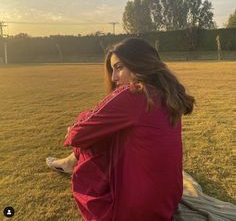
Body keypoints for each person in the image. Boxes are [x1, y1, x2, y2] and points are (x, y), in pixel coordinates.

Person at [46, 38, 195, 221]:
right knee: (104, 130)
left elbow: (77, 135)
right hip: (168, 199)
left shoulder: (135, 93)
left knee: (89, 127)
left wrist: (77, 125)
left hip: (137, 210)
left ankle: (69, 162)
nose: (113, 78)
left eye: (119, 67)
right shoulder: (168, 92)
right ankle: (69, 162)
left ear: (139, 64)